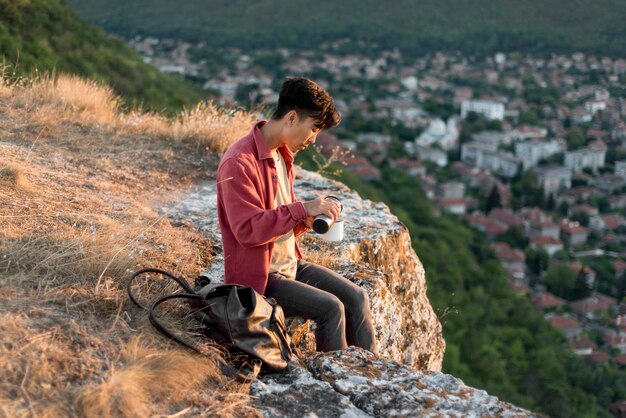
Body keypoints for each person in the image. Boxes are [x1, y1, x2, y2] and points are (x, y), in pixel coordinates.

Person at [216, 77, 377, 354]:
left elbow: (279, 217)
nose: (314, 139)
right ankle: (338, 380)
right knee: (331, 309)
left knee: (357, 297)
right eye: (314, 129)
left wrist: (306, 220)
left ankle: (371, 374)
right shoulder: (239, 162)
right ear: (291, 118)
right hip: (261, 277)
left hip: (289, 265)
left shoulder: (282, 155)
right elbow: (247, 230)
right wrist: (302, 209)